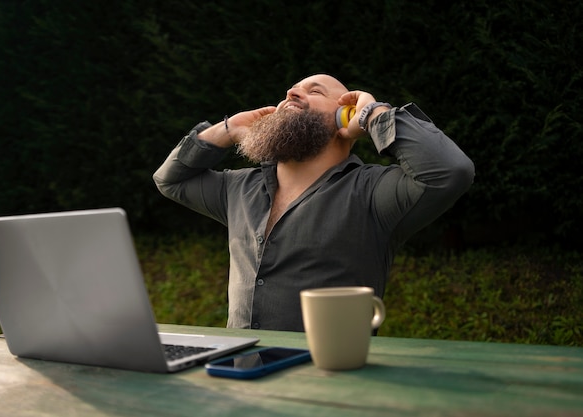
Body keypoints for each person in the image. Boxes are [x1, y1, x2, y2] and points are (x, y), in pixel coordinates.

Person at [153, 74, 475, 332]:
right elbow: (170, 179)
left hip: (331, 380)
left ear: (344, 119)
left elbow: (449, 171)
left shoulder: (373, 193)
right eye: (291, 91)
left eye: (315, 91)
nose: (291, 94)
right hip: (242, 378)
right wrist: (228, 129)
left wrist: (373, 114)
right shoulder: (238, 187)